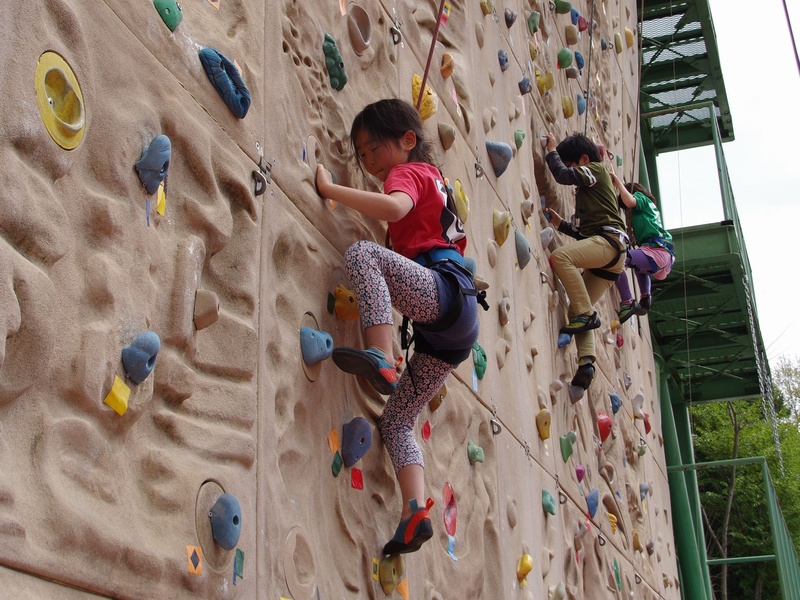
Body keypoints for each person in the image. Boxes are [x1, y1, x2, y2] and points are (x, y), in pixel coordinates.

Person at [315, 99, 485, 556]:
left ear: (408, 141)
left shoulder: (407, 173)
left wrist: (333, 191)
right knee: (397, 420)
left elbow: (392, 208)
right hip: (454, 331)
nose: (370, 163)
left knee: (362, 256)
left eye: (374, 150)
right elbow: (404, 219)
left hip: (442, 295)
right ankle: (415, 511)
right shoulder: (437, 181)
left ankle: (382, 358)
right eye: (362, 156)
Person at [542, 132, 628, 393]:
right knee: (576, 311)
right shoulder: (594, 193)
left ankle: (589, 316)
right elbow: (586, 236)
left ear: (583, 158)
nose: (574, 173)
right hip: (611, 257)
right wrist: (562, 225)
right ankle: (587, 364)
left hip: (610, 244)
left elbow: (562, 176)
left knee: (560, 257)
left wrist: (551, 151)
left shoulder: (596, 170)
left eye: (573, 165)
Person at [609, 173, 674, 323]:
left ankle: (628, 301)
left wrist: (619, 185)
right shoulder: (650, 211)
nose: (627, 211)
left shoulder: (641, 198)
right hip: (662, 256)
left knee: (616, 258)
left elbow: (630, 201)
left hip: (657, 251)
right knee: (639, 265)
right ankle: (645, 297)